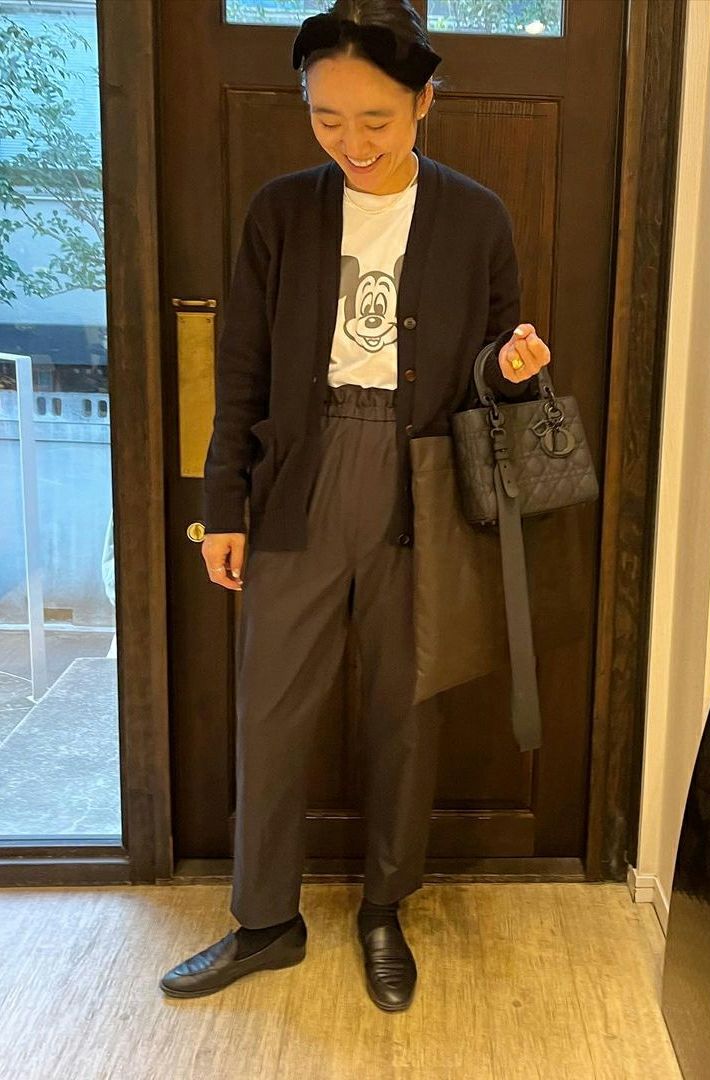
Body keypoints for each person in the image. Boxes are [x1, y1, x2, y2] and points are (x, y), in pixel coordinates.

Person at [159, 0, 552, 1012]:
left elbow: (491, 372)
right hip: (299, 473)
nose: (352, 141)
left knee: (404, 712)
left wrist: (511, 371)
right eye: (326, 117)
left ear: (424, 102)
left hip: (422, 480)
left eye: (375, 118)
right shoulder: (280, 212)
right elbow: (241, 367)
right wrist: (223, 505)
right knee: (270, 708)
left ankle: (385, 909)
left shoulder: (478, 217)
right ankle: (265, 920)